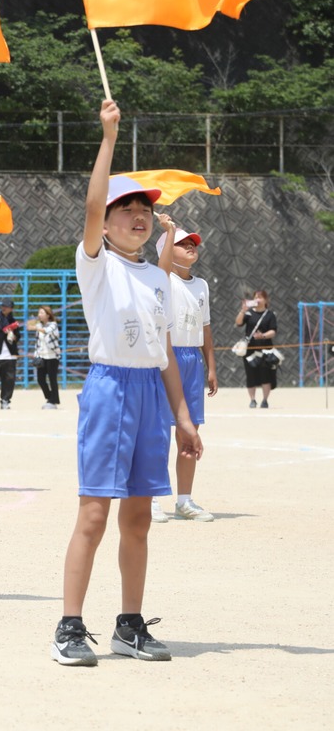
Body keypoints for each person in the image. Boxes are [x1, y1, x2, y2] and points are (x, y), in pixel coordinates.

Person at [52, 99, 203, 667]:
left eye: (145, 207)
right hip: (110, 389)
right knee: (94, 513)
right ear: (107, 223)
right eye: (126, 208)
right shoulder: (96, 262)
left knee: (138, 517)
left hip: (148, 395)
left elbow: (164, 350)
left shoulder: (160, 278)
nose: (138, 215)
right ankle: (69, 626)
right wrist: (108, 138)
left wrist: (183, 416)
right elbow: (91, 205)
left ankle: (129, 624)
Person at [154, 218, 217, 523]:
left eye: (193, 242)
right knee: (158, 433)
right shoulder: (162, 279)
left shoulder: (202, 285)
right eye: (183, 242)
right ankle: (152, 498)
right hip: (167, 357)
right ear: (166, 250)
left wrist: (211, 366)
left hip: (191, 359)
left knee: (188, 435)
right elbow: (162, 267)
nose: (191, 245)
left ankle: (184, 500)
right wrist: (167, 232)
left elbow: (205, 327)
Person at [235, 289, 278, 409]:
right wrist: (243, 311)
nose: (258, 300)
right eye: (256, 297)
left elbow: (273, 331)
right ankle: (252, 400)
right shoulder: (248, 314)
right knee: (251, 375)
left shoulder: (270, 315)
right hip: (250, 349)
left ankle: (265, 400)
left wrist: (263, 335)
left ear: (266, 300)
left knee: (266, 375)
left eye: (260, 297)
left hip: (266, 349)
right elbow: (238, 323)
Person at [29, 306, 61, 409]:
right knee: (40, 379)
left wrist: (36, 327)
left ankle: (53, 400)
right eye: (39, 313)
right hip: (41, 356)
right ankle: (50, 397)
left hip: (52, 357)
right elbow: (38, 341)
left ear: (48, 315)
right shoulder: (39, 325)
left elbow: (47, 331)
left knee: (52, 379)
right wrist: (36, 354)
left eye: (42, 313)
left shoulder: (53, 325)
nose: (39, 315)